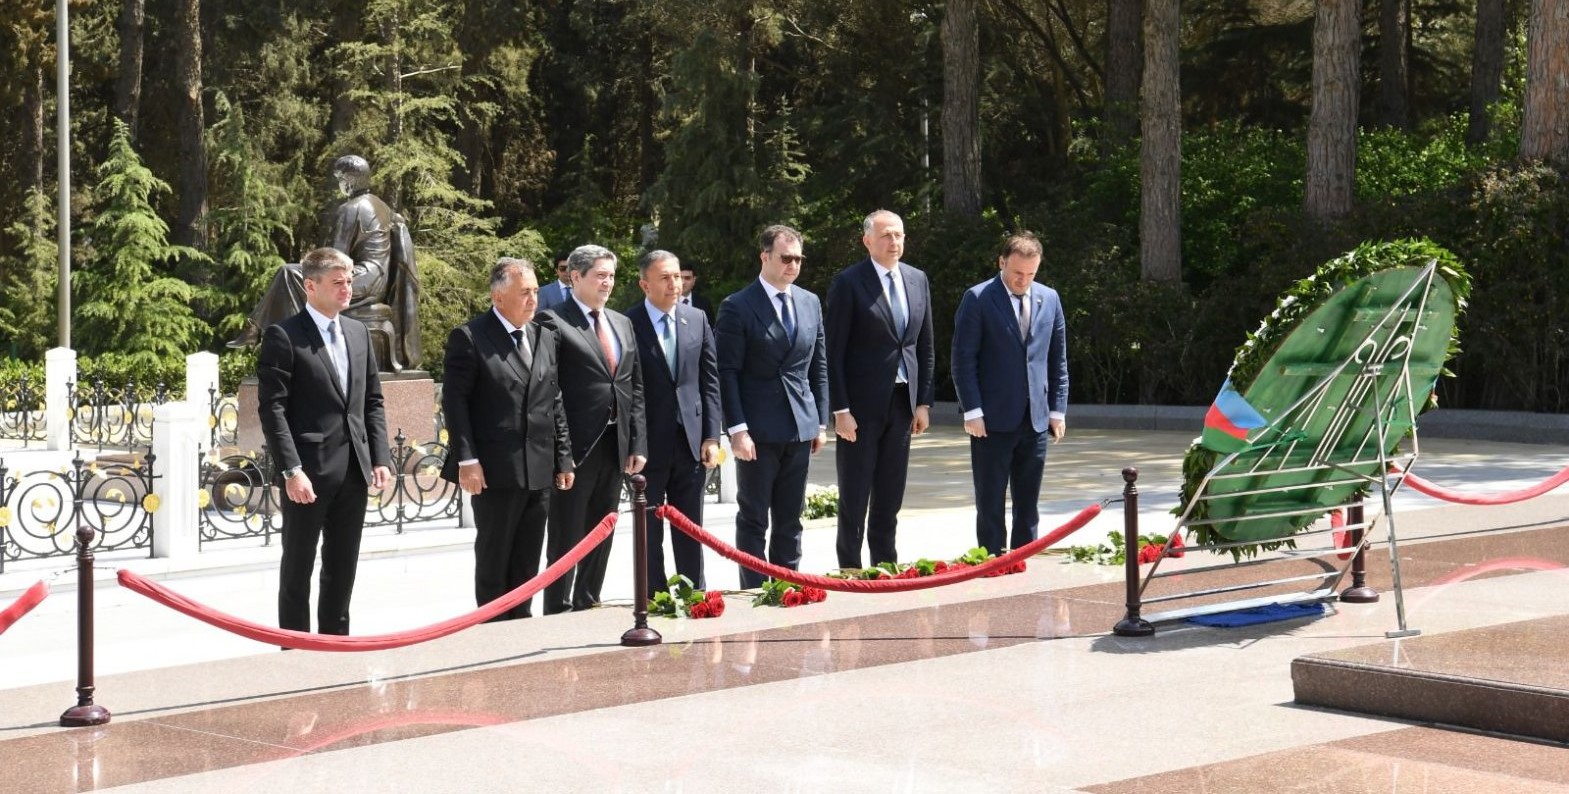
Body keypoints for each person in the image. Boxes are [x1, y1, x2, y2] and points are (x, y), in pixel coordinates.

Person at [256, 246, 393, 635]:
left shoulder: (358, 332)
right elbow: (273, 410)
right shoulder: (284, 336)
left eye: (349, 281)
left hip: (353, 471)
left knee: (342, 566)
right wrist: (291, 469)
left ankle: (336, 644)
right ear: (310, 286)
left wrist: (379, 457)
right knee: (298, 567)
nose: (347, 289)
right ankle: (296, 651)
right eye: (338, 282)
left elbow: (372, 401)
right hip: (308, 475)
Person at [440, 258, 576, 621]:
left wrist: (563, 458)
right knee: (494, 559)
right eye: (524, 293)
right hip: (495, 470)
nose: (533, 300)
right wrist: (467, 460)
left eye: (535, 291)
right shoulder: (470, 337)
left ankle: (519, 628)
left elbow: (554, 399)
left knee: (527, 560)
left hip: (538, 468)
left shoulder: (544, 335)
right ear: (498, 297)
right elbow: (455, 403)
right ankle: (492, 634)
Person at [716, 225, 830, 589]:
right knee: (753, 518)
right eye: (786, 258)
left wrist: (819, 423)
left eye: (798, 258)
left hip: (799, 425)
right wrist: (737, 429)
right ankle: (754, 589)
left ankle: (788, 584)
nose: (793, 265)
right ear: (764, 256)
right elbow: (727, 372)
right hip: (757, 431)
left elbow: (818, 365)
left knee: (791, 517)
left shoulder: (810, 302)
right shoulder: (737, 306)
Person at [230, 155, 421, 372]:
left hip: (356, 278)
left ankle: (266, 336)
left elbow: (333, 258)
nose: (339, 184)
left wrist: (310, 262)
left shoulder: (352, 208)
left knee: (288, 273)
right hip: (377, 280)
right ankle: (266, 334)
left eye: (339, 179)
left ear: (349, 180)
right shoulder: (382, 206)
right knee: (299, 276)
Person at [539, 244, 648, 613]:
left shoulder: (621, 322)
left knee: (604, 529)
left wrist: (637, 442)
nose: (608, 283)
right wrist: (562, 455)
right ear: (575, 277)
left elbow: (633, 386)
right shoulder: (553, 321)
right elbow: (549, 391)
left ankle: (588, 601)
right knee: (567, 534)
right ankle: (558, 606)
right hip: (577, 448)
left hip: (615, 447)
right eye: (600, 275)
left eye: (612, 275)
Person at [825, 210, 935, 569]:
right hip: (859, 408)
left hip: (902, 403)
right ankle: (850, 569)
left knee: (890, 494)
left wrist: (923, 402)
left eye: (899, 235)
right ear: (867, 241)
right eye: (886, 236)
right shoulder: (849, 282)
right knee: (855, 496)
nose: (894, 242)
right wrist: (840, 409)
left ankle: (885, 565)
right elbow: (834, 351)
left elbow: (925, 345)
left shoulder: (917, 279)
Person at [951, 232, 1068, 557]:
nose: (1024, 281)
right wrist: (972, 410)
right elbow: (963, 359)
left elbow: (1057, 359)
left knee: (1028, 502)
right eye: (1018, 273)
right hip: (991, 418)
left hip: (1036, 418)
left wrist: (1057, 411)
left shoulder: (1050, 298)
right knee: (990, 500)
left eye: (1031, 274)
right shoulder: (978, 298)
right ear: (1002, 262)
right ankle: (991, 560)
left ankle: (1022, 560)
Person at [627, 250, 722, 596]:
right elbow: (628, 389)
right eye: (665, 278)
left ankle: (693, 593)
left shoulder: (696, 319)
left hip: (691, 441)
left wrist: (712, 435)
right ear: (644, 284)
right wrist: (634, 443)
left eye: (678, 277)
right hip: (649, 447)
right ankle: (653, 598)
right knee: (649, 528)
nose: (675, 284)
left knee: (691, 526)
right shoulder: (628, 323)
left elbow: (710, 381)